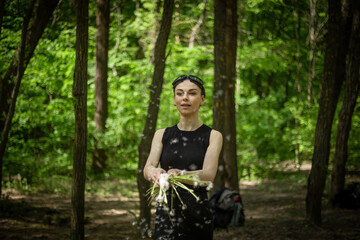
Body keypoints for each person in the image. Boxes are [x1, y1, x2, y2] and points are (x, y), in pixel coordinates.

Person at [143, 75, 223, 240]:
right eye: (180, 93)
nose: (185, 97)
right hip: (166, 212)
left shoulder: (213, 136)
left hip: (197, 213)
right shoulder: (161, 134)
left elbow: (208, 176)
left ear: (202, 99)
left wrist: (179, 175)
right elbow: (148, 167)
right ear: (174, 99)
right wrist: (154, 171)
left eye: (192, 93)